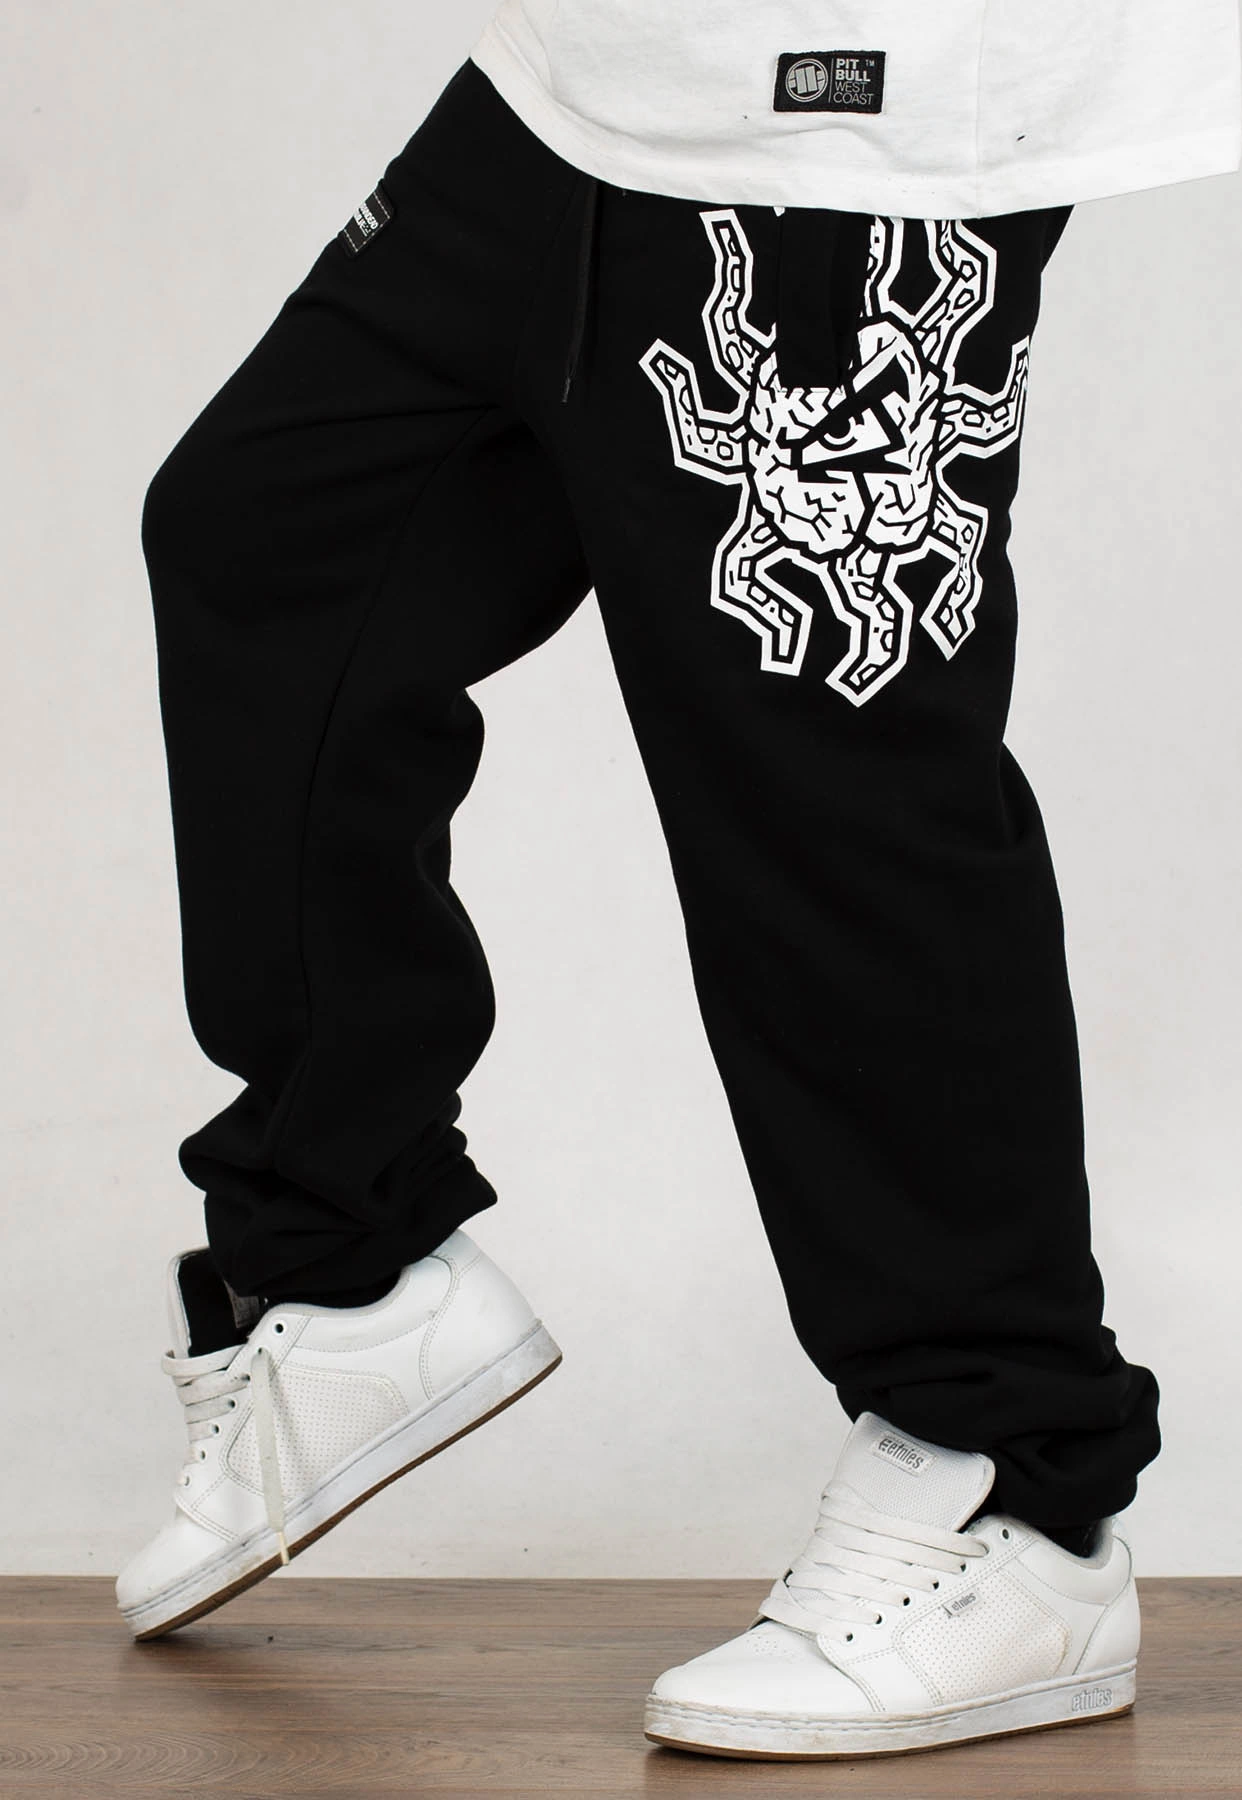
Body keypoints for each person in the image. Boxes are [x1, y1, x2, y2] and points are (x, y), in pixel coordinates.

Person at [118, 0, 1241, 1762]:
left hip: (858, 122)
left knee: (821, 785)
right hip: (582, 82)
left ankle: (1015, 1493)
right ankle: (344, 1263)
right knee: (273, 543)